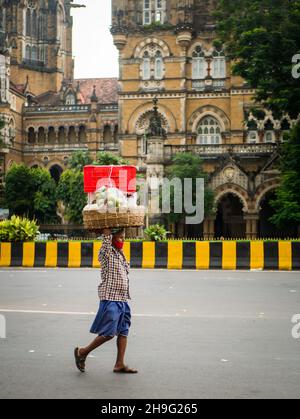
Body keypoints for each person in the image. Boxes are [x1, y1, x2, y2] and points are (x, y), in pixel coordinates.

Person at [74, 228, 137, 374]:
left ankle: (119, 364)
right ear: (112, 238)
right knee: (109, 332)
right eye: (120, 238)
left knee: (123, 331)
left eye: (124, 237)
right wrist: (107, 231)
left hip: (123, 298)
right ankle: (82, 352)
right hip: (110, 298)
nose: (123, 240)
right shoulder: (106, 253)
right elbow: (106, 241)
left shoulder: (121, 254)